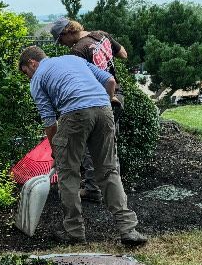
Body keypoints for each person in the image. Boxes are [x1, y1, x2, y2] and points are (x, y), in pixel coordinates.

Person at [18, 45, 147, 247]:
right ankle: (128, 230)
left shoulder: (38, 79)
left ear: (32, 63)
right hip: (104, 111)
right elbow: (110, 80)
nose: (28, 77)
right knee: (108, 171)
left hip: (74, 114)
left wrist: (55, 150)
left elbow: (49, 121)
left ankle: (75, 233)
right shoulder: (74, 59)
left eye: (26, 73)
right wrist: (104, 100)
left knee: (68, 174)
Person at [49, 17, 128, 202]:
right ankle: (115, 191)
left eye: (61, 40)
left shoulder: (78, 51)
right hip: (116, 95)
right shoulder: (100, 35)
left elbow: (77, 83)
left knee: (91, 147)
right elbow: (123, 53)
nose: (62, 45)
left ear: (67, 32)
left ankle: (94, 190)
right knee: (109, 145)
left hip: (97, 100)